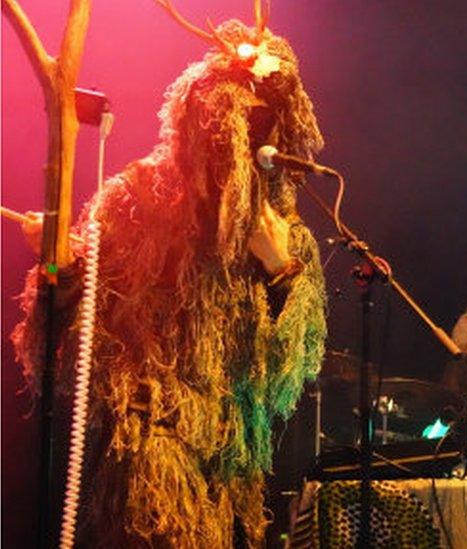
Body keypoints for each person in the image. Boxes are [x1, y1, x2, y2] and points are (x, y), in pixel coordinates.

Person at [12, 17, 326, 547]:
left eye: (261, 123)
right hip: (149, 451)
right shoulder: (135, 202)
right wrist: (60, 267)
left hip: (227, 468)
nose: (244, 140)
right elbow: (64, 345)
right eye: (231, 125)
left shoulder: (285, 228)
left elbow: (289, 377)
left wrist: (282, 272)